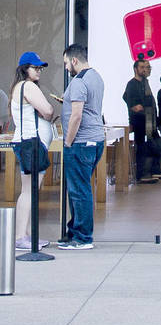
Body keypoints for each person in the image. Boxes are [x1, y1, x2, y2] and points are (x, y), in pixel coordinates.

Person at [59, 43, 106, 250]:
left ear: (74, 60)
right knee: (80, 188)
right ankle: (75, 231)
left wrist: (68, 142)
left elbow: (77, 116)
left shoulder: (79, 82)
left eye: (66, 63)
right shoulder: (96, 77)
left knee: (79, 191)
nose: (66, 68)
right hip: (94, 140)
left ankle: (83, 238)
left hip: (80, 142)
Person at [10, 52, 56, 251]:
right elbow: (47, 110)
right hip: (32, 143)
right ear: (24, 69)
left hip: (27, 142)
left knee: (29, 191)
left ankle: (26, 235)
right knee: (29, 192)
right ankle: (21, 236)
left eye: (40, 68)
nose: (39, 71)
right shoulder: (28, 86)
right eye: (35, 68)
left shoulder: (18, 87)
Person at [122, 59, 161, 184]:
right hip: (140, 121)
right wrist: (138, 109)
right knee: (142, 147)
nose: (146, 69)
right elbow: (133, 104)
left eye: (147, 67)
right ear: (136, 69)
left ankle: (151, 171)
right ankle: (142, 174)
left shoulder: (145, 83)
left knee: (153, 145)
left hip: (148, 121)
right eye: (143, 67)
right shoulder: (132, 84)